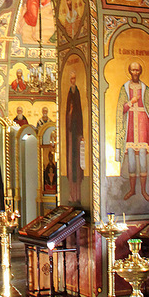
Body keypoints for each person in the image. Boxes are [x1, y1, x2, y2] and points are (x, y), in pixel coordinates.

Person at [115, 60, 149, 202]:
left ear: (140, 72)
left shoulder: (145, 89)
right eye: (133, 70)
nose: (135, 73)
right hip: (130, 127)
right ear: (129, 71)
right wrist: (131, 102)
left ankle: (143, 190)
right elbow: (121, 109)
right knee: (132, 161)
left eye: (137, 70)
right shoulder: (125, 88)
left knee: (143, 160)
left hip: (143, 125)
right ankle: (132, 190)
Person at [65, 70, 84, 204]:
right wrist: (70, 114)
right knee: (71, 166)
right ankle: (72, 195)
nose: (72, 81)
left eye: (74, 78)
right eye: (71, 79)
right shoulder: (69, 94)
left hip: (77, 134)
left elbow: (79, 114)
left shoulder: (77, 93)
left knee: (77, 165)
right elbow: (68, 113)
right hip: (71, 135)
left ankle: (78, 196)